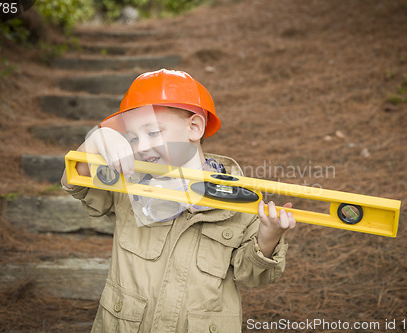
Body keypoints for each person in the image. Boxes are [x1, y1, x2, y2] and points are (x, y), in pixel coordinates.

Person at [61, 69, 296, 332]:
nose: (140, 147)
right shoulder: (128, 184)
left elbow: (252, 275)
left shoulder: (240, 199)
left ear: (194, 127)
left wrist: (269, 236)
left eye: (153, 133)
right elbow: (79, 181)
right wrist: (95, 141)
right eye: (133, 137)